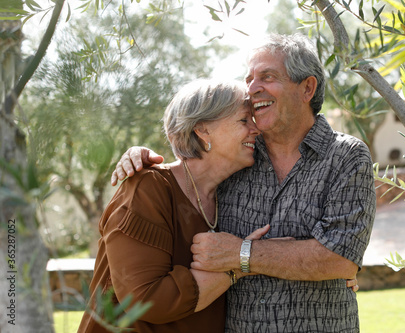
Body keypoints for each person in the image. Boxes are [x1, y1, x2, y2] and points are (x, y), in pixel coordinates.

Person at [112, 34, 376, 332]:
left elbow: (340, 259)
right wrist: (137, 155)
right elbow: (189, 166)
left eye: (267, 76)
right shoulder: (238, 155)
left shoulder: (346, 156)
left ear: (307, 88)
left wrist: (241, 255)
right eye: (248, 78)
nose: (251, 89)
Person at [78, 79, 263, 332]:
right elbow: (146, 300)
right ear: (202, 130)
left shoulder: (231, 193)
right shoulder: (147, 188)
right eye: (244, 120)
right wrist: (239, 266)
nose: (256, 129)